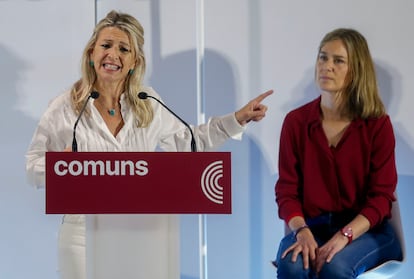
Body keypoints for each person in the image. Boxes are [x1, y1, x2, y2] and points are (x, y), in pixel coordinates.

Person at [25, 10, 273, 279]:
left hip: (140, 231)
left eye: (124, 49)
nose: (113, 55)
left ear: (134, 62)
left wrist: (237, 119)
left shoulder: (147, 102)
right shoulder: (65, 106)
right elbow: (32, 166)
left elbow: (190, 142)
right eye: (106, 45)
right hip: (83, 234)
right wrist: (58, 167)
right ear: (91, 53)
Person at [273, 28, 402, 279]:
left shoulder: (377, 124)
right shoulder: (295, 122)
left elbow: (381, 198)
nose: (326, 66)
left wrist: (345, 235)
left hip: (368, 231)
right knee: (291, 266)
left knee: (334, 267)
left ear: (356, 69)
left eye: (338, 60)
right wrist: (301, 231)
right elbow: (287, 191)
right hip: (312, 227)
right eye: (323, 57)